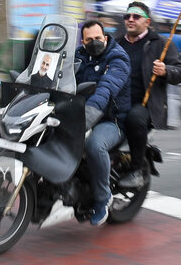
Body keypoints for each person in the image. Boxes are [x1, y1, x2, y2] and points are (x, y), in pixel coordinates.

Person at [116, 1, 181, 188]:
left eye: (136, 16)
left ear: (147, 22)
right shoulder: (116, 44)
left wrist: (166, 70)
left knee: (135, 117)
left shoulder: (161, 44)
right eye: (127, 16)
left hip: (145, 106)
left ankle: (136, 170)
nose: (130, 19)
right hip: (116, 103)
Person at [75, 19, 130, 226]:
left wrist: (87, 118)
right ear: (83, 41)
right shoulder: (79, 56)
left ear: (105, 38)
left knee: (94, 145)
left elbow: (105, 89)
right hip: (80, 113)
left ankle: (102, 198)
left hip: (112, 119)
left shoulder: (117, 58)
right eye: (89, 39)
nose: (94, 42)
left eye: (98, 38)